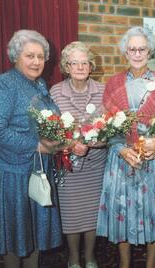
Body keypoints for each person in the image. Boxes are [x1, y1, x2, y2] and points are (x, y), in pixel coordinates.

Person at [0, 29, 62, 268]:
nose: (36, 62)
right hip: (11, 170)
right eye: (29, 56)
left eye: (40, 56)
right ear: (16, 57)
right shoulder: (5, 84)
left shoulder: (40, 84)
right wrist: (35, 145)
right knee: (15, 231)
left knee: (33, 227)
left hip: (36, 166)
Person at [96, 26, 155, 268]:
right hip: (122, 157)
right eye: (132, 49)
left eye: (142, 49)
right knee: (121, 214)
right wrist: (119, 148)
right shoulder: (113, 83)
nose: (137, 53)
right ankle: (124, 263)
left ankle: (151, 264)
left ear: (149, 51)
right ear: (125, 52)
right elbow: (105, 125)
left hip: (153, 159)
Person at [50, 41, 107, 268]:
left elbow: (110, 127)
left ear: (91, 66)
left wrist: (98, 141)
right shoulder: (56, 92)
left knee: (92, 213)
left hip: (95, 165)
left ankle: (91, 257)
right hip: (69, 165)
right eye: (75, 63)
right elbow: (50, 129)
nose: (80, 67)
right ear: (66, 66)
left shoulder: (103, 90)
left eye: (85, 62)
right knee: (71, 213)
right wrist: (71, 144)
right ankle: (74, 258)